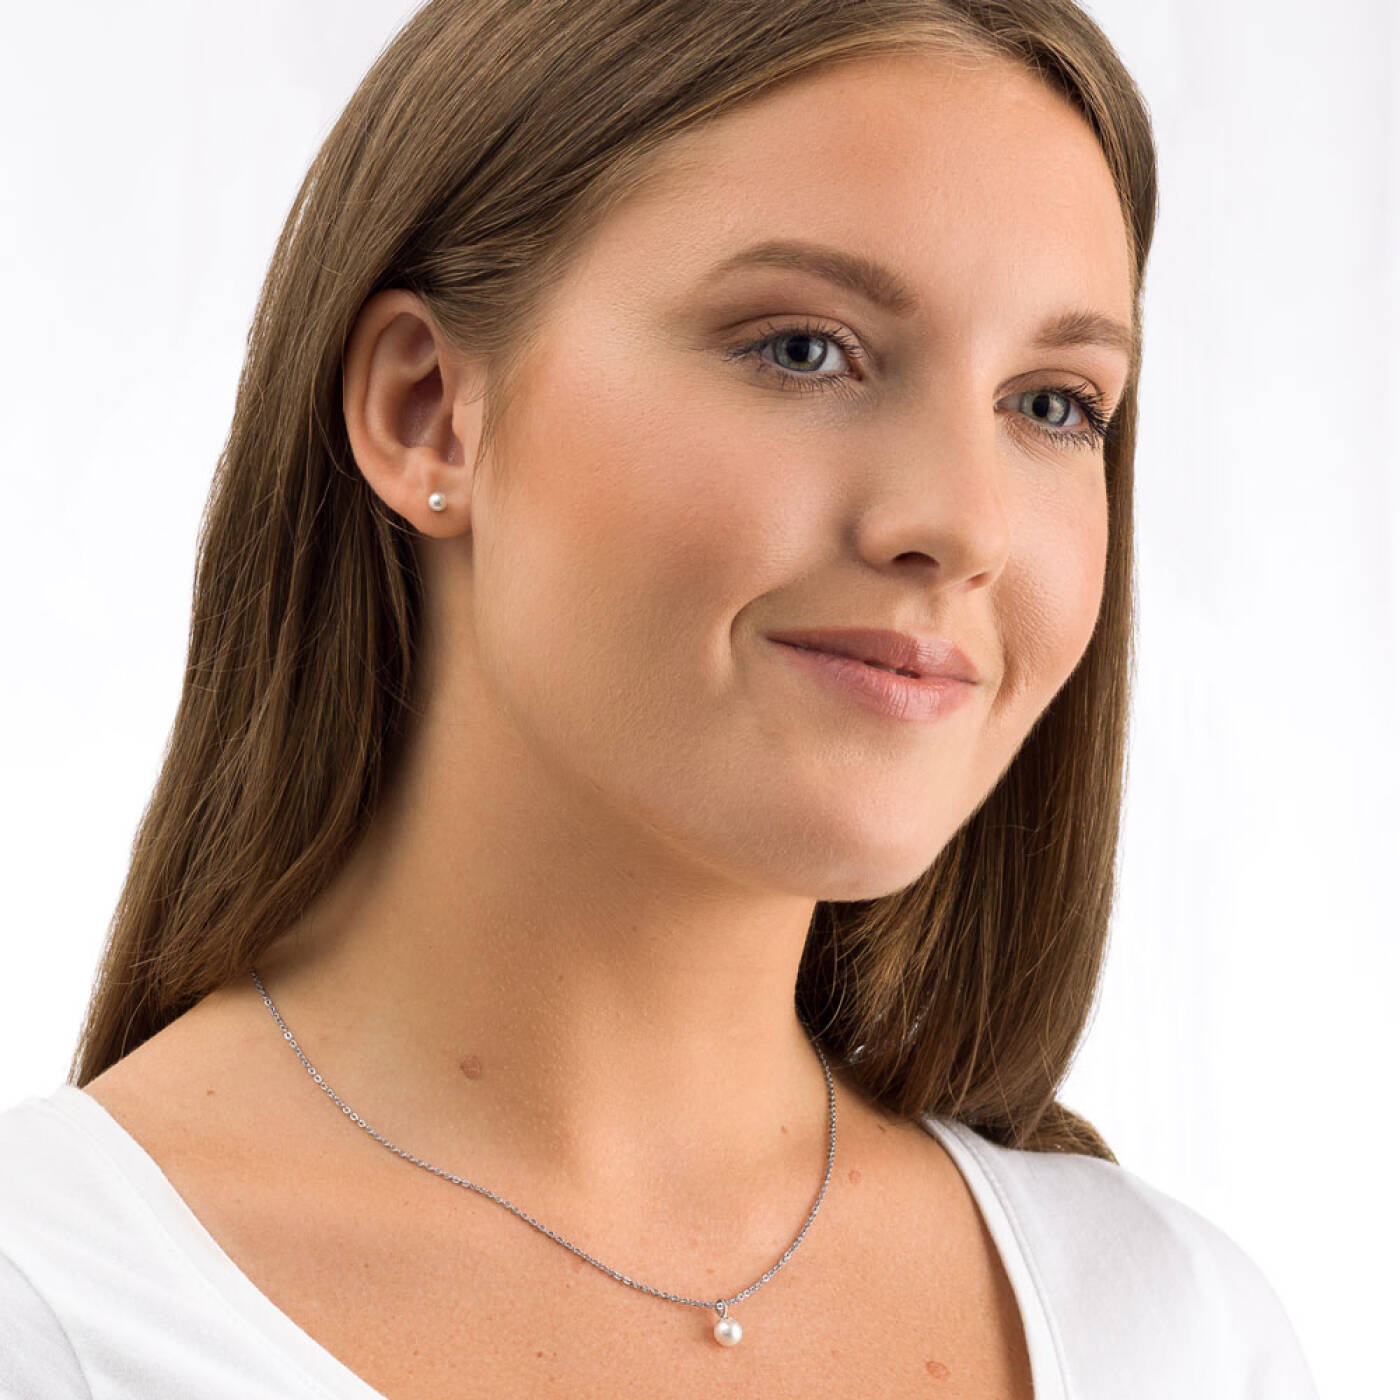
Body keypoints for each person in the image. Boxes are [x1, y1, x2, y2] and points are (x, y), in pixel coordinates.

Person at [0, 0, 1322, 1396]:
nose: (963, 524)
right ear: (427, 411)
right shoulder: (49, 1311)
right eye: (803, 348)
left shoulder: (1180, 1335)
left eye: (1052, 404)